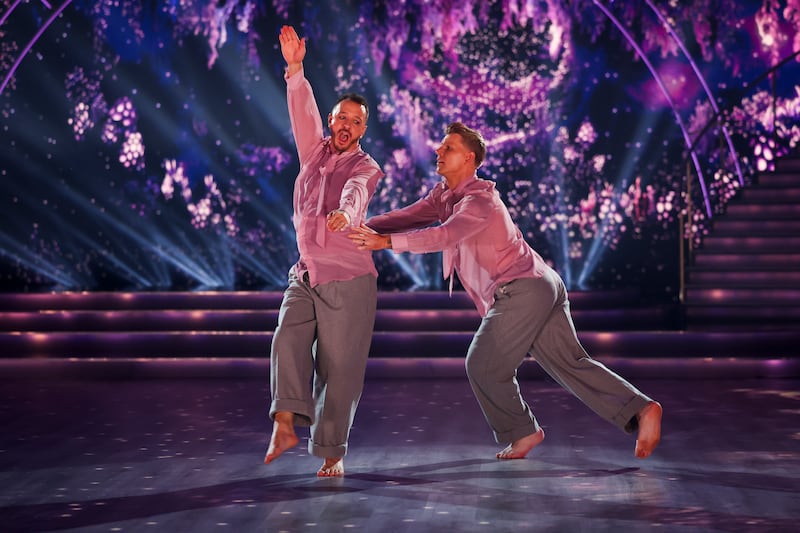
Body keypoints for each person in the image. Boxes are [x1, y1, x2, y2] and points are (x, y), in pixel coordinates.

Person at [349, 122, 662, 460]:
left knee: (483, 364)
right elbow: (406, 217)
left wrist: (384, 243)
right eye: (440, 147)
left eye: (448, 148)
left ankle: (523, 430)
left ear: (469, 159)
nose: (438, 152)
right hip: (541, 284)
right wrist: (355, 227)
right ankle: (642, 409)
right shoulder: (444, 195)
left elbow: (444, 236)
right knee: (571, 364)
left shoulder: (480, 201)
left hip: (524, 289)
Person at [264, 25, 384, 477]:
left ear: (363, 130)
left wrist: (346, 217)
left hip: (349, 279)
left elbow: (356, 192)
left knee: (339, 372)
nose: (345, 125)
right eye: (340, 118)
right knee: (286, 337)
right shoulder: (313, 152)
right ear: (332, 122)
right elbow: (302, 114)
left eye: (355, 121)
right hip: (307, 273)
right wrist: (295, 69)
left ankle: (332, 449)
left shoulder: (366, 166)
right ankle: (285, 422)